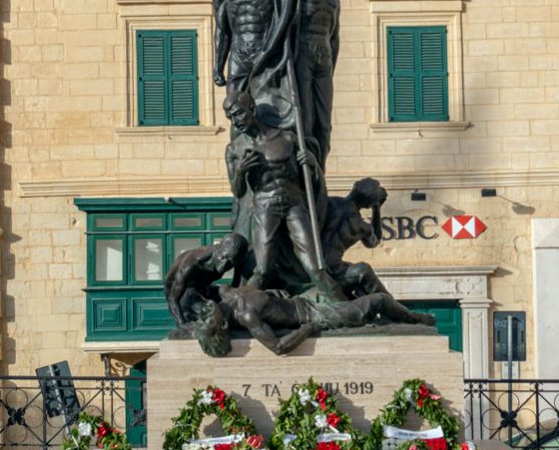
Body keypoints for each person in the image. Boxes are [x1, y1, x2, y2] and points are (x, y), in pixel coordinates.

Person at [223, 90, 340, 300]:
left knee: (315, 267)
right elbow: (238, 192)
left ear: (252, 109)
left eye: (238, 114)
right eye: (230, 117)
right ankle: (237, 304)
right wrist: (240, 172)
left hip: (294, 203)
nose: (235, 121)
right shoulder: (235, 149)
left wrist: (312, 165)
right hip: (264, 205)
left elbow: (309, 182)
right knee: (263, 270)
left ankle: (344, 309)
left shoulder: (287, 138)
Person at [193, 285, 436, 356]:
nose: (204, 313)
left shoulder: (226, 291)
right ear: (223, 325)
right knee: (378, 301)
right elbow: (278, 347)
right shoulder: (247, 316)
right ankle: (417, 320)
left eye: (201, 316)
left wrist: (270, 293)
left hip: (305, 296)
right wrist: (309, 328)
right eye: (208, 321)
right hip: (312, 314)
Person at [293, 0, 340, 171]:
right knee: (306, 121)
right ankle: (307, 172)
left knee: (324, 125)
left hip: (325, 61)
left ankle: (319, 172)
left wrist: (331, 66)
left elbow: (335, 37)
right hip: (303, 56)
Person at [321, 178, 390, 298]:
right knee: (364, 270)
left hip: (315, 260)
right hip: (333, 268)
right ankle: (392, 307)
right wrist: (377, 209)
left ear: (355, 188)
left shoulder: (329, 203)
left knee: (359, 279)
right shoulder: (360, 226)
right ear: (369, 204)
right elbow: (374, 241)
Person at [163, 233, 247, 327]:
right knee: (215, 316)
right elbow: (173, 298)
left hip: (203, 289)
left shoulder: (236, 259)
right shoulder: (193, 261)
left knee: (233, 311)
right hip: (183, 292)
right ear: (218, 248)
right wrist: (181, 324)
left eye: (230, 261)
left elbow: (235, 286)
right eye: (223, 257)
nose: (224, 264)